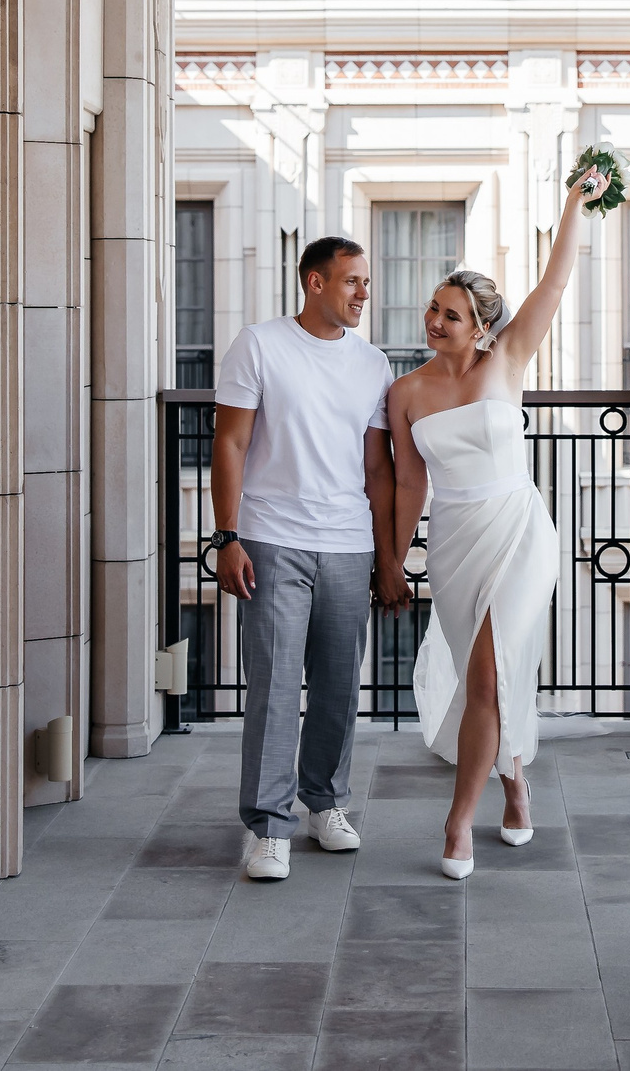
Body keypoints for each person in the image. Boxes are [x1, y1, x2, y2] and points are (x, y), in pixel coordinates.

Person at [381, 164, 610, 878]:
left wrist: (574, 201)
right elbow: (410, 479)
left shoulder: (508, 357)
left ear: (480, 325)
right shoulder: (405, 391)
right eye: (431, 309)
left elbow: (555, 281)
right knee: (494, 671)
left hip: (518, 529)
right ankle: (515, 782)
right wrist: (394, 559)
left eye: (450, 313)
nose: (434, 320)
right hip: (454, 541)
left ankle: (457, 824)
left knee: (486, 672)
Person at [209, 236, 397, 882]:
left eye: (366, 281)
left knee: (340, 685)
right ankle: (267, 825)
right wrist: (226, 535)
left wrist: (389, 554)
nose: (363, 293)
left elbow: (378, 467)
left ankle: (326, 802)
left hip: (349, 542)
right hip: (271, 536)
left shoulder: (374, 365)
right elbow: (229, 442)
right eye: (351, 281)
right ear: (314, 282)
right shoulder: (259, 345)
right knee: (276, 684)